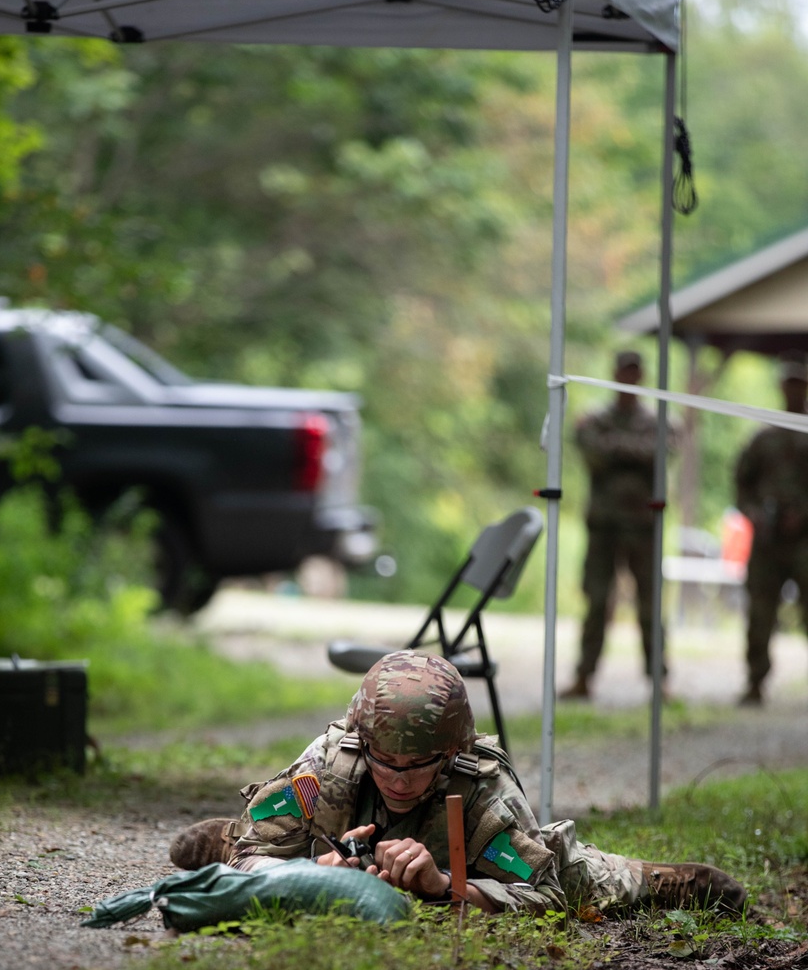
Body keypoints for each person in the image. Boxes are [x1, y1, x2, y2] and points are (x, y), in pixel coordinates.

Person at [170, 651, 746, 917]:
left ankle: (650, 879)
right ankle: (234, 834)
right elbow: (252, 864)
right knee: (245, 847)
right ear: (361, 741)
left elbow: (538, 888)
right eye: (383, 760)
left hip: (466, 856)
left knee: (577, 878)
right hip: (329, 842)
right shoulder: (330, 762)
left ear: (450, 754)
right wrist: (307, 875)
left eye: (416, 764)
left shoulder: (483, 789)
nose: (396, 778)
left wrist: (443, 884)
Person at [562, 350, 674, 700]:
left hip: (643, 526)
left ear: (641, 377)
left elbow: (663, 452)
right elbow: (593, 454)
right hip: (605, 526)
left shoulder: (657, 421)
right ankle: (584, 677)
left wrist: (619, 451)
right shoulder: (595, 418)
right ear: (614, 374)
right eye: (624, 371)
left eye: (634, 372)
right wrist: (636, 453)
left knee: (650, 604)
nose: (629, 378)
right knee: (597, 601)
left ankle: (659, 681)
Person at [735, 357, 808, 705]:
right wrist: (754, 514)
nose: (795, 390)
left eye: (800, 383)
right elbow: (741, 484)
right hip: (767, 540)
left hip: (804, 541)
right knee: (761, 611)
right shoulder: (763, 439)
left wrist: (803, 514)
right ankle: (754, 681)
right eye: (790, 383)